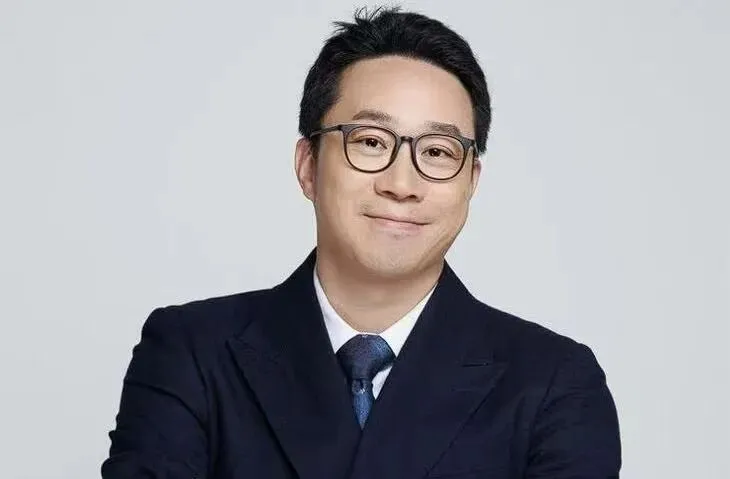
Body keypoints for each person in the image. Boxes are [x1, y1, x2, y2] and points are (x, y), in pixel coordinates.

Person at [102, 6, 621, 478]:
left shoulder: (553, 384)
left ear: (472, 182)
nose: (402, 183)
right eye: (370, 142)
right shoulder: (191, 353)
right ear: (308, 165)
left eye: (438, 152)